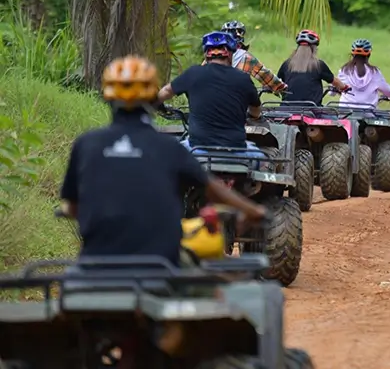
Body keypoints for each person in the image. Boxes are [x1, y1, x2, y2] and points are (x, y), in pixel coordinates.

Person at [58, 55, 266, 267]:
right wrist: (253, 210)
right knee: (213, 286)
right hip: (160, 266)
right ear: (151, 98)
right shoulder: (169, 148)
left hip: (95, 267)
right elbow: (213, 189)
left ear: (107, 97)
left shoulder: (86, 144)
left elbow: (73, 206)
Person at [157, 31, 264, 154]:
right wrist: (252, 116)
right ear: (229, 54)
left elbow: (166, 91)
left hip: (197, 149)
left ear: (206, 54)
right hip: (236, 150)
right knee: (260, 157)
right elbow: (256, 110)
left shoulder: (193, 73)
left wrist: (154, 103)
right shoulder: (243, 79)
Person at [212, 20, 288, 95]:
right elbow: (264, 75)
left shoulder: (211, 57)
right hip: (235, 99)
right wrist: (281, 87)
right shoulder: (245, 57)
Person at [277, 29, 350, 106]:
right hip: (312, 109)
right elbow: (334, 81)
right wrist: (344, 87)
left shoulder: (287, 64)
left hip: (287, 108)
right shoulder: (318, 65)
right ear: (314, 48)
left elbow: (277, 81)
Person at [334, 39, 390, 107]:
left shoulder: (344, 71)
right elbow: (388, 91)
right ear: (369, 55)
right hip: (368, 113)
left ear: (353, 54)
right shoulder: (375, 72)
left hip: (345, 113)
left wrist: (332, 91)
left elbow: (333, 89)